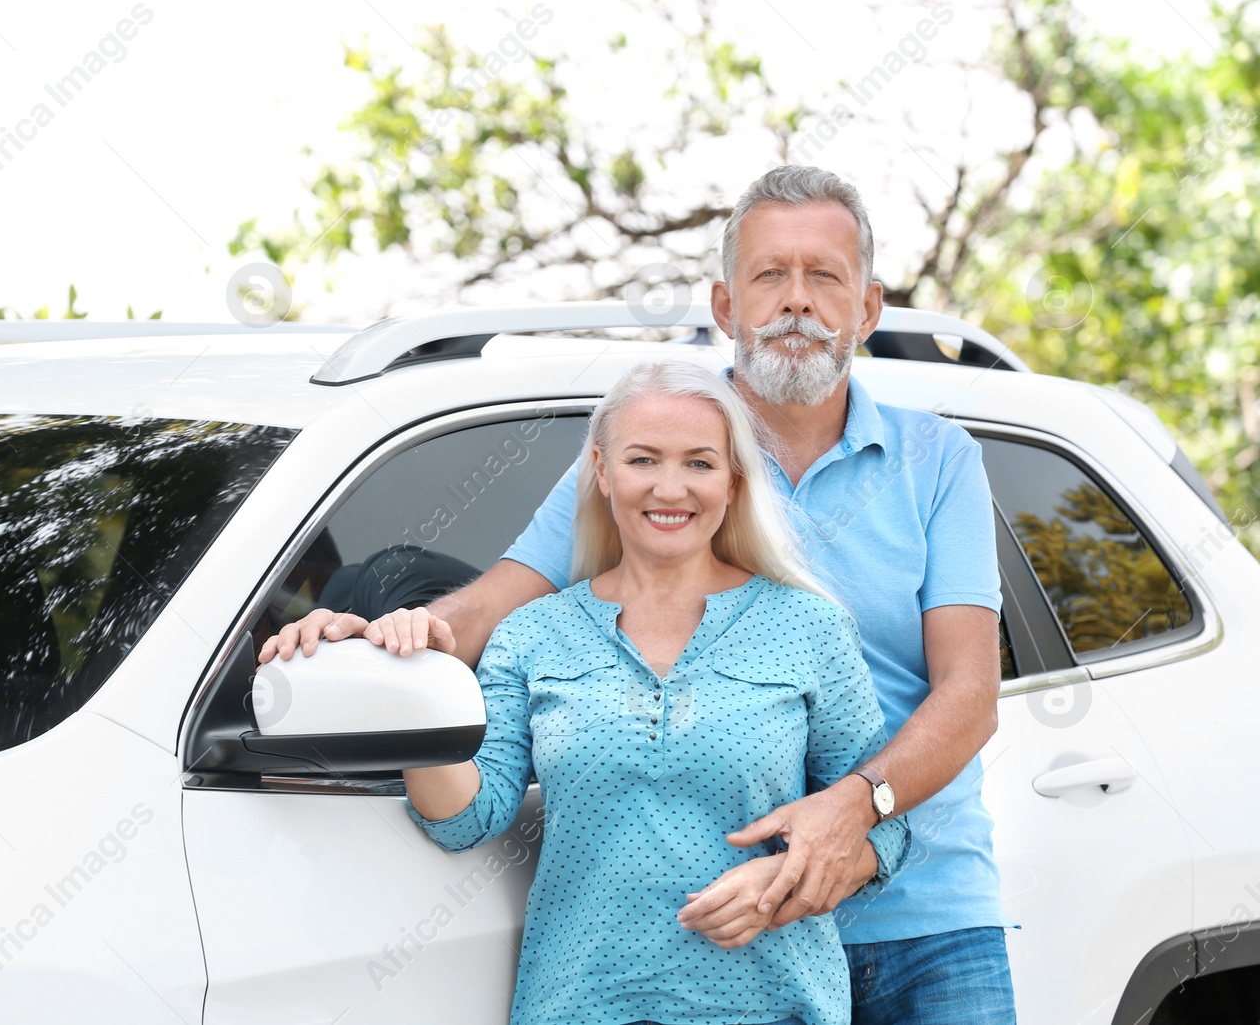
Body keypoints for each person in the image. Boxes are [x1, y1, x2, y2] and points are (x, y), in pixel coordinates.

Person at [261, 165, 1014, 1025]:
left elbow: (971, 692)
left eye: (824, 276)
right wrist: (387, 645)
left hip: (925, 907)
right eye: (769, 275)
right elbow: (499, 604)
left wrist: (854, 810)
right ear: (725, 307)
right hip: (684, 947)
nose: (796, 301)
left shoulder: (938, 462)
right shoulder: (666, 442)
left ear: (868, 308)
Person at [397, 358, 908, 1025]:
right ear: (604, 472)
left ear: (734, 481)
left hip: (772, 1008)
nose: (671, 488)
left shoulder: (809, 626)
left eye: (699, 463)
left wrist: (785, 883)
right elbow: (471, 817)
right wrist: (403, 688)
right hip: (580, 1007)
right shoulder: (532, 635)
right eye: (643, 460)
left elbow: (885, 827)